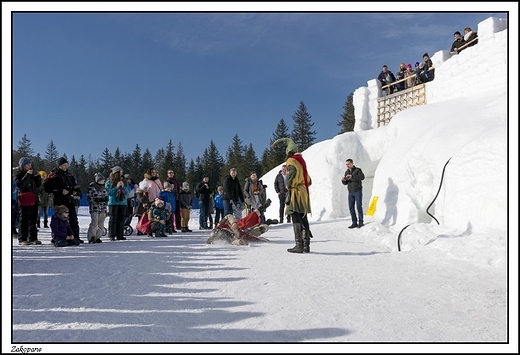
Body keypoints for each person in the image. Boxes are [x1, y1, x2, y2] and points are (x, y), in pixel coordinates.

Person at [271, 138, 313, 254]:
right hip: (303, 192)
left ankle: (299, 245)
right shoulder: (301, 161)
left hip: (296, 193)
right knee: (303, 217)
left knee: (295, 216)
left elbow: (292, 171)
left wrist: (288, 184)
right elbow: (309, 180)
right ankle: (306, 245)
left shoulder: (291, 160)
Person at [44, 157, 84, 243]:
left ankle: (75, 236)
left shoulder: (69, 175)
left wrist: (77, 194)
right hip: (60, 201)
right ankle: (58, 237)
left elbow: (76, 186)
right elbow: (47, 188)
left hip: (70, 200)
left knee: (73, 218)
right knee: (60, 220)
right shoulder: (54, 175)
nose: (66, 167)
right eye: (64, 165)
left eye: (67, 165)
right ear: (60, 165)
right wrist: (60, 190)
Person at [206, 199, 272, 245]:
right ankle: (263, 227)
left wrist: (233, 223)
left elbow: (228, 216)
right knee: (250, 237)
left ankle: (262, 207)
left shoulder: (220, 225)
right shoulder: (223, 239)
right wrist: (240, 242)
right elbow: (233, 242)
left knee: (248, 220)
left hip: (237, 226)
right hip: (238, 235)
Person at [15, 157, 42, 245]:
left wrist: (38, 177)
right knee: (23, 219)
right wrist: (27, 175)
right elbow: (20, 185)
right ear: (23, 166)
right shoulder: (19, 174)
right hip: (24, 200)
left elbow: (38, 186)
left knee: (33, 219)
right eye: (27, 165)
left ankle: (33, 238)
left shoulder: (32, 175)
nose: (29, 166)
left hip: (33, 199)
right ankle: (22, 238)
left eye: (30, 164)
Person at [105, 166, 132, 241]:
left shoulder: (124, 181)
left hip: (122, 202)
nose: (122, 174)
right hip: (113, 202)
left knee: (121, 219)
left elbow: (127, 192)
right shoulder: (109, 181)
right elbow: (109, 192)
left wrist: (123, 187)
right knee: (113, 218)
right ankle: (112, 234)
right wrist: (116, 187)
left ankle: (120, 234)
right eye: (120, 172)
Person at [341, 158, 366, 229]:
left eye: (349, 164)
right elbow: (346, 183)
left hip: (358, 191)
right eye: (346, 164)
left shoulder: (358, 170)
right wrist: (343, 180)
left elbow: (362, 177)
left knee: (358, 206)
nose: (347, 166)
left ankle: (361, 222)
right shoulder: (346, 172)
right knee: (351, 208)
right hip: (350, 192)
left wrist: (352, 176)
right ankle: (354, 222)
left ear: (352, 163)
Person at [86, 172, 108, 243]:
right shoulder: (92, 188)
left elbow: (106, 196)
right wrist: (96, 200)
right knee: (94, 223)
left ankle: (98, 236)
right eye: (101, 180)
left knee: (101, 223)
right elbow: (89, 197)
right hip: (95, 208)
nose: (103, 182)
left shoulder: (104, 188)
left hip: (103, 208)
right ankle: (91, 237)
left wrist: (105, 199)